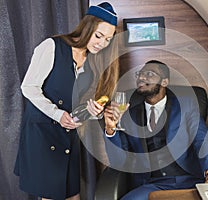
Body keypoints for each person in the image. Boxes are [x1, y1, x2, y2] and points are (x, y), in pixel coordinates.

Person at [14, 2, 119, 200]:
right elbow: (28, 87)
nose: (102, 44)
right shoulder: (52, 46)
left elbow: (78, 107)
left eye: (108, 39)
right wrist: (57, 114)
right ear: (87, 27)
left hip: (69, 135)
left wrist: (89, 112)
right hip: (43, 134)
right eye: (98, 36)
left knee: (73, 196)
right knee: (51, 196)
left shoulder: (93, 61)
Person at [103, 60, 208, 200]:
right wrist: (111, 130)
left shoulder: (186, 105)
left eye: (149, 74)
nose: (141, 78)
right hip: (151, 184)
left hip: (189, 180)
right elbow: (118, 161)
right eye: (140, 74)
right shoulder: (128, 115)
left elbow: (201, 140)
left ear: (165, 82)